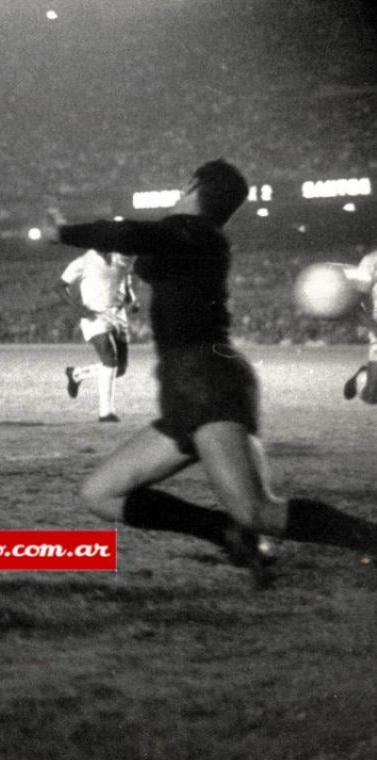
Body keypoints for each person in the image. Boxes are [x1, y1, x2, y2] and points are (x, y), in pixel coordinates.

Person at [44, 159, 376, 583]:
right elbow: (139, 245)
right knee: (101, 493)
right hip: (187, 386)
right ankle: (228, 535)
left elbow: (130, 234)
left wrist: (63, 233)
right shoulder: (191, 238)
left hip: (208, 381)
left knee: (258, 510)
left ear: (192, 184)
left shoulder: (196, 234)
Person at [57, 250, 137, 422]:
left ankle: (77, 374)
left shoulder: (122, 257)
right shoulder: (84, 260)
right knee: (110, 358)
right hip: (94, 315)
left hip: (118, 314)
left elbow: (126, 279)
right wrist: (78, 308)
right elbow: (60, 285)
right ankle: (105, 412)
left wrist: (132, 298)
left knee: (120, 368)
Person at [342, 248, 377, 404]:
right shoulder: (371, 261)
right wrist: (371, 325)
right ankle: (364, 375)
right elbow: (356, 299)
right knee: (372, 396)